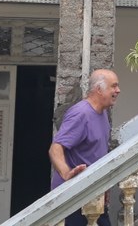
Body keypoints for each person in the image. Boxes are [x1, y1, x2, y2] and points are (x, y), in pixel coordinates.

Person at [49, 69, 121, 226]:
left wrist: (104, 187)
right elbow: (56, 148)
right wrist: (66, 173)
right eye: (113, 86)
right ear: (99, 89)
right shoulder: (81, 113)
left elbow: (97, 153)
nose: (118, 90)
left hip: (92, 193)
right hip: (72, 197)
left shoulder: (102, 113)